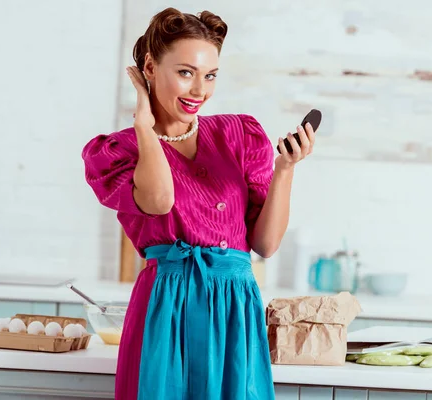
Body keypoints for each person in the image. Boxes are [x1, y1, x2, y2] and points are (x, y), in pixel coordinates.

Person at [82, 7, 316, 400]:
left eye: (210, 76)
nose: (199, 91)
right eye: (185, 72)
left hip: (236, 305)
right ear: (151, 68)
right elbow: (159, 201)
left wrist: (285, 169)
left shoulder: (239, 134)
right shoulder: (116, 151)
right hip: (166, 305)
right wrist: (144, 122)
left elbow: (265, 245)